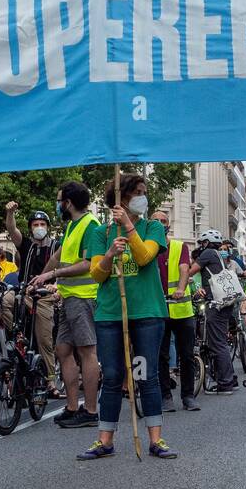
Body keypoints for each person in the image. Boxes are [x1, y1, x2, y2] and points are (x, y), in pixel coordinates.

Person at [77, 173, 176, 460]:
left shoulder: (153, 227)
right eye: (138, 192)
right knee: (112, 376)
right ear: (121, 199)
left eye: (145, 191)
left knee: (146, 376)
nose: (143, 197)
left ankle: (156, 440)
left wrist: (130, 228)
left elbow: (145, 257)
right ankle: (104, 440)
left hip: (146, 313)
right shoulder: (101, 233)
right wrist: (109, 253)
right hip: (110, 314)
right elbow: (97, 273)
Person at [31, 182, 101, 428]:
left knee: (87, 352)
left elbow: (88, 264)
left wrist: (53, 275)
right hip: (69, 297)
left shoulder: (91, 226)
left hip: (84, 297)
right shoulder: (73, 225)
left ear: (68, 203)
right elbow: (57, 256)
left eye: (60, 200)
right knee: (62, 350)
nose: (58, 204)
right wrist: (38, 277)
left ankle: (91, 411)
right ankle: (72, 407)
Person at [5, 202, 58, 391]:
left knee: (44, 339)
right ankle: (18, 334)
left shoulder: (56, 247)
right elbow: (12, 230)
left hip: (45, 297)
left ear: (48, 228)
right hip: (24, 293)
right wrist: (10, 213)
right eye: (35, 225)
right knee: (6, 300)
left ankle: (51, 380)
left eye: (42, 224)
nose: (39, 228)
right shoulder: (25, 244)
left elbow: (64, 270)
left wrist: (54, 287)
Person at [151, 208, 199, 413]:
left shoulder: (180, 247)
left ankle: (188, 396)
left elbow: (183, 269)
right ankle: (165, 396)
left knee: (187, 355)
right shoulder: (147, 248)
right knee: (160, 356)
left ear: (169, 224)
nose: (161, 224)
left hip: (182, 309)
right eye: (157, 221)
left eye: (164, 220)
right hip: (158, 308)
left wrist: (181, 288)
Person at [192, 229, 239, 394]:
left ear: (206, 242)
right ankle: (230, 379)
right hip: (224, 302)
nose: (201, 246)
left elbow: (191, 270)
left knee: (217, 344)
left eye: (202, 243)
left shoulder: (208, 253)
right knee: (221, 343)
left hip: (216, 303)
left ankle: (225, 383)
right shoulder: (218, 255)